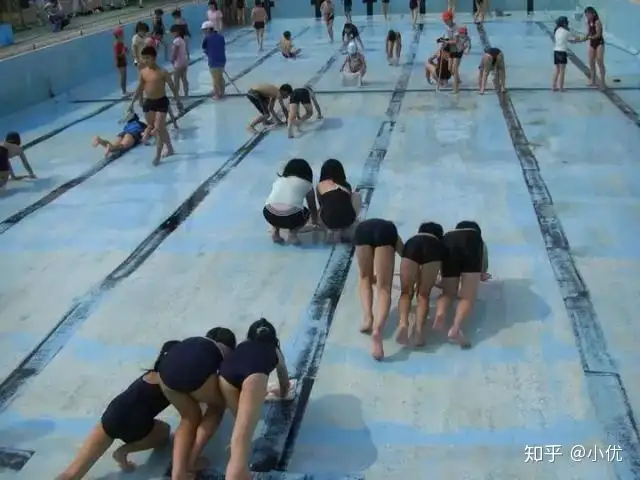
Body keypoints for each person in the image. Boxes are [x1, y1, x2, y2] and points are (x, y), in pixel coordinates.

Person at [55, 341, 179, 480]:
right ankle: (123, 451)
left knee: (73, 472)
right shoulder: (174, 384)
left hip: (113, 415)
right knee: (164, 433)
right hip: (135, 424)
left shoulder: (150, 374)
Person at [158, 328, 237, 480]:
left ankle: (178, 472)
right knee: (217, 407)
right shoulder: (224, 353)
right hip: (194, 373)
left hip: (165, 375)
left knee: (188, 418)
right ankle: (191, 461)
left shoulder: (194, 341)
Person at [218, 318, 291, 480]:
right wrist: (282, 393)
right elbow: (284, 382)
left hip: (224, 377)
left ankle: (238, 457)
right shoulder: (274, 350)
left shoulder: (242, 346)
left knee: (240, 427)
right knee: (243, 434)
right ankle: (236, 473)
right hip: (253, 377)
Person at [433, 221, 490, 349]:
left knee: (448, 293)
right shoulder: (476, 238)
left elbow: (440, 263)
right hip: (470, 244)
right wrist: (480, 274)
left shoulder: (448, 236)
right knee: (467, 297)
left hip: (448, 242)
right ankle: (456, 327)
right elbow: (483, 267)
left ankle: (440, 312)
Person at [355, 219, 403, 360]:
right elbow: (405, 254)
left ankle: (368, 318)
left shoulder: (364, 225)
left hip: (362, 232)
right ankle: (378, 329)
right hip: (385, 233)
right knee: (384, 288)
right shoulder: (390, 229)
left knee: (365, 278)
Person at [129, 46, 183, 166]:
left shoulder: (163, 72)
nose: (145, 60)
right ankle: (170, 148)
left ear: (154, 58)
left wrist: (178, 100)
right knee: (160, 128)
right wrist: (132, 103)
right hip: (149, 102)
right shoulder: (143, 72)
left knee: (158, 128)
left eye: (147, 58)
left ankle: (158, 155)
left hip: (161, 102)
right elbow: (139, 88)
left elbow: (172, 87)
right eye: (143, 58)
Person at [396, 222, 447, 347]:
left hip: (412, 247)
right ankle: (419, 332)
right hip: (433, 249)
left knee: (406, 293)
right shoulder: (438, 243)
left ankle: (403, 324)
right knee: (423, 295)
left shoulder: (412, 239)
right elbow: (444, 273)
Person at [263, 158, 318, 245]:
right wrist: (315, 222)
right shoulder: (308, 185)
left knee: (277, 206)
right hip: (291, 217)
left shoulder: (279, 180)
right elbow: (312, 207)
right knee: (305, 212)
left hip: (268, 213)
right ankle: (293, 234)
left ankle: (275, 232)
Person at [317, 159, 360, 242]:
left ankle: (332, 231)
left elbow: (321, 204)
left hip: (329, 221)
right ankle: (343, 231)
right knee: (355, 195)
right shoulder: (346, 185)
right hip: (348, 219)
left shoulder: (320, 185)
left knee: (324, 207)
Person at [552, 16, 585, 91]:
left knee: (557, 70)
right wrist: (583, 39)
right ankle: (561, 87)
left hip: (556, 51)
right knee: (562, 70)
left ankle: (554, 86)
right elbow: (573, 40)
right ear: (564, 23)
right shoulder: (566, 32)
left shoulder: (557, 30)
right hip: (562, 52)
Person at [202, 22, 227, 100]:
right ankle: (222, 92)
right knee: (220, 77)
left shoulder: (206, 38)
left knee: (215, 79)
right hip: (222, 60)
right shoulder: (221, 37)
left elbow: (204, 49)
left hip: (213, 61)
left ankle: (217, 95)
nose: (204, 32)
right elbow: (223, 48)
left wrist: (209, 54)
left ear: (208, 29)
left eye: (204, 30)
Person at [584, 6, 606, 89]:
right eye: (586, 15)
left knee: (599, 61)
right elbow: (588, 33)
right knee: (591, 62)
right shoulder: (589, 21)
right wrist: (583, 38)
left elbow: (598, 34)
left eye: (588, 15)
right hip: (592, 43)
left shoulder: (597, 22)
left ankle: (603, 83)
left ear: (593, 14)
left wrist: (591, 37)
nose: (587, 16)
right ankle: (592, 81)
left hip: (599, 43)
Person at [169, 25, 190, 98]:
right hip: (184, 62)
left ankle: (176, 96)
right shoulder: (182, 39)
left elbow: (175, 52)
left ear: (177, 32)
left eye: (172, 32)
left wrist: (172, 60)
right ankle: (186, 94)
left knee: (176, 80)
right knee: (184, 79)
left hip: (178, 64)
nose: (171, 34)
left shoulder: (176, 41)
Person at [112, 28, 129, 97]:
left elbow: (124, 51)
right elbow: (117, 55)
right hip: (120, 61)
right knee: (122, 76)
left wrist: (126, 50)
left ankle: (125, 90)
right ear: (118, 36)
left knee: (125, 76)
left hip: (123, 60)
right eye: (122, 34)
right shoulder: (116, 44)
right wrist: (123, 52)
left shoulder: (121, 42)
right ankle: (123, 92)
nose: (123, 35)